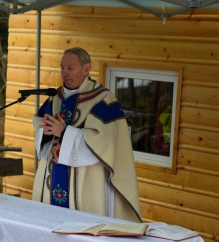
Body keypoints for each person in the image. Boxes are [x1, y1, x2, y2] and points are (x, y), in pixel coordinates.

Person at [32, 47, 141, 222]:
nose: (64, 73)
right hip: (54, 174)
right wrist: (45, 130)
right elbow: (40, 125)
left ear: (86, 69)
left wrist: (65, 131)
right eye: (62, 68)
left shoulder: (103, 99)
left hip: (87, 180)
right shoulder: (55, 97)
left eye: (70, 68)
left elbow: (104, 141)